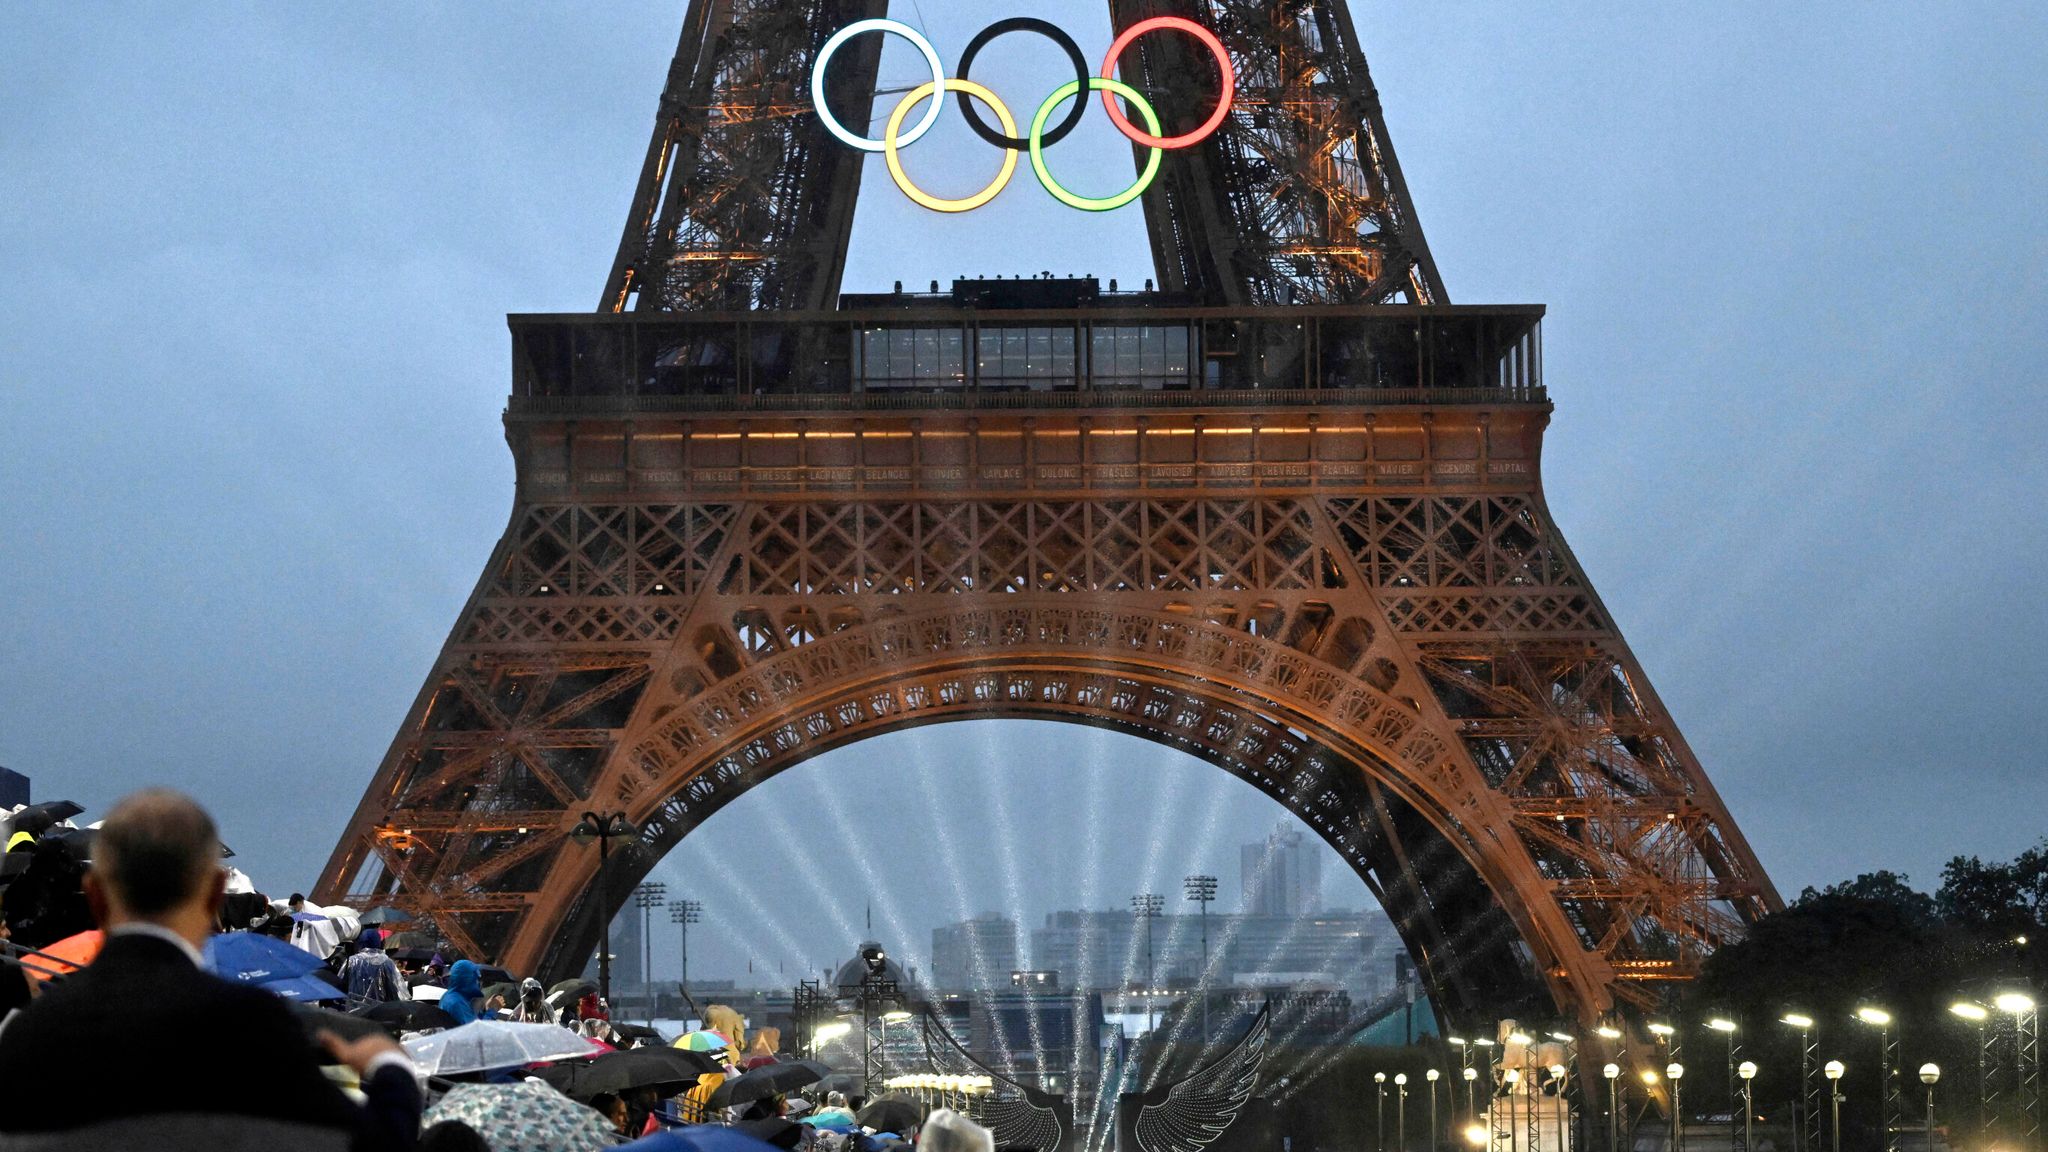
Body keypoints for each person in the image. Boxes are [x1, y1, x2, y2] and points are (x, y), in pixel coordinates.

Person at [0, 790, 421, 1149]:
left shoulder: (26, 1036)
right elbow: (373, 1143)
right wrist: (389, 1067)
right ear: (215, 892)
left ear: (94, 893)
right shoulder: (256, 1027)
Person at [339, 927, 403, 1008]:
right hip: (380, 1011)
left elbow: (340, 983)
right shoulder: (387, 962)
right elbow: (393, 989)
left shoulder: (352, 961)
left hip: (354, 1010)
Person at [439, 957, 482, 1025]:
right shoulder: (457, 1003)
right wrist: (492, 1010)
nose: (478, 982)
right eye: (476, 979)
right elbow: (476, 1031)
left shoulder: (452, 995)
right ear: (468, 980)